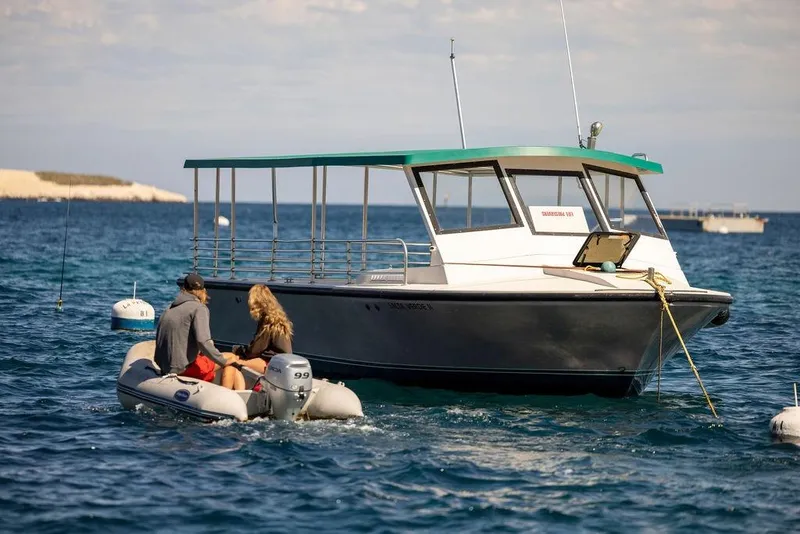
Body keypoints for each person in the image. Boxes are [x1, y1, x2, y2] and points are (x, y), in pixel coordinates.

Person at [154, 273, 245, 390]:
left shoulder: (169, 308)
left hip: (165, 367)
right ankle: (227, 398)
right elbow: (203, 341)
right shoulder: (199, 308)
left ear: (184, 289)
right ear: (203, 291)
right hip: (184, 369)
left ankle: (237, 396)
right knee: (231, 360)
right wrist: (223, 361)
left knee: (229, 362)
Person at [233, 284, 293, 375]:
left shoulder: (268, 322)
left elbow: (255, 350)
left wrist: (239, 351)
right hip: (283, 363)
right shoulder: (278, 318)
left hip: (273, 364)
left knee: (234, 364)